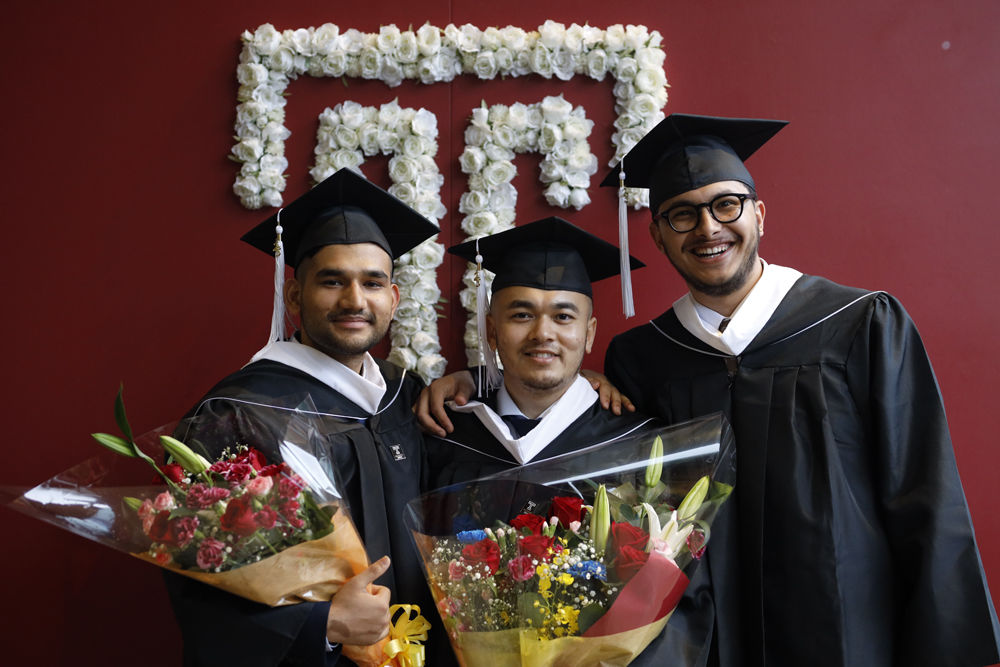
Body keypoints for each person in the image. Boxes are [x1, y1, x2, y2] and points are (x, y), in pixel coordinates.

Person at [599, 113, 1000, 666]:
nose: (708, 228)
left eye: (726, 205)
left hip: (845, 623)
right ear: (658, 235)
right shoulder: (642, 357)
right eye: (682, 215)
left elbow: (922, 487)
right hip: (703, 639)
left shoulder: (858, 323)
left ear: (759, 214)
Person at [166, 167, 441, 666]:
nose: (355, 300)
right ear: (294, 296)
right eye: (333, 281)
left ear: (393, 299)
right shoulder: (239, 412)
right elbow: (196, 580)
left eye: (372, 283)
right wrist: (325, 626)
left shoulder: (406, 396)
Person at [423, 216, 654, 487]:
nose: (542, 333)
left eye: (563, 317)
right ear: (492, 332)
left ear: (589, 334)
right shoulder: (445, 432)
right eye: (522, 315)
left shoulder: (635, 443)